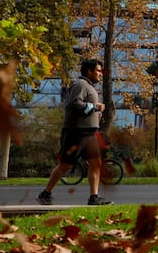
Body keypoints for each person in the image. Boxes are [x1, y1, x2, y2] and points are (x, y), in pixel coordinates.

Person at [37, 59, 113, 205]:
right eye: (97, 71)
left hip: (89, 134)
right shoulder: (80, 84)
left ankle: (93, 198)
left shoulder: (89, 86)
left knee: (96, 163)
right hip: (76, 133)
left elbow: (84, 108)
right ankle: (45, 194)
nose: (100, 74)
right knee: (65, 165)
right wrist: (95, 107)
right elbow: (73, 104)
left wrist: (95, 113)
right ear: (89, 71)